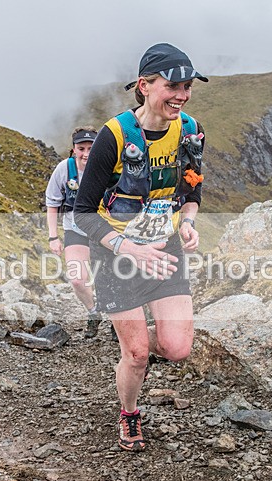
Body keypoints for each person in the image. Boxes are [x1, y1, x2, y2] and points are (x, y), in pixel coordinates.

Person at [74, 43, 207, 451]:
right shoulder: (114, 136)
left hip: (164, 248)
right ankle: (129, 412)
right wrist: (127, 248)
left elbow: (192, 186)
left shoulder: (189, 129)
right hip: (117, 256)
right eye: (173, 86)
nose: (182, 95)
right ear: (145, 86)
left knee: (177, 348)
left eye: (187, 87)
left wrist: (187, 222)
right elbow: (83, 213)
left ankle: (129, 330)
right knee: (136, 355)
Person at [45, 127, 103, 338]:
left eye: (91, 148)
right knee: (77, 279)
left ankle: (119, 320)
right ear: (73, 150)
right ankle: (93, 312)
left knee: (110, 277)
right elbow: (52, 204)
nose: (86, 153)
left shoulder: (107, 166)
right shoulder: (64, 169)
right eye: (81, 148)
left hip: (104, 230)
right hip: (75, 229)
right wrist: (53, 237)